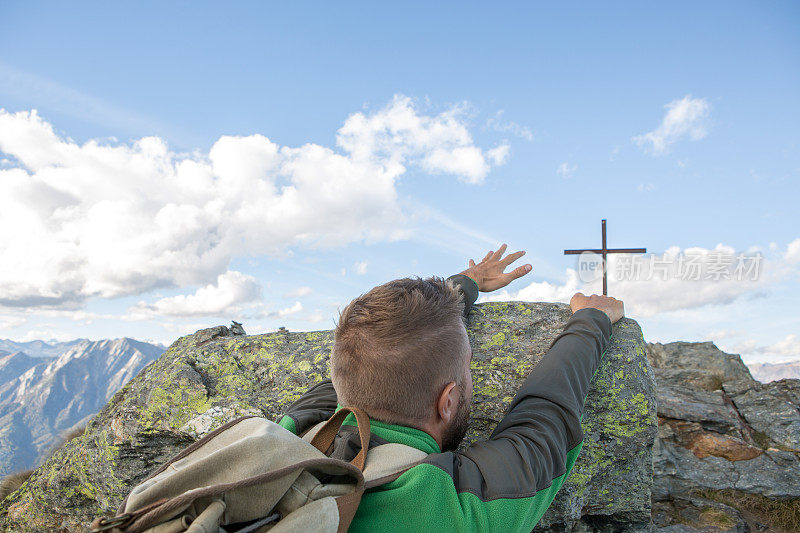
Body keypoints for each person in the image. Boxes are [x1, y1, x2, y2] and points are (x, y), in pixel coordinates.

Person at [278, 244, 624, 532]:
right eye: (468, 368)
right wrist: (590, 320)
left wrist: (464, 285)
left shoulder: (286, 437)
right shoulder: (450, 511)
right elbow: (541, 426)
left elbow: (374, 350)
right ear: (448, 401)